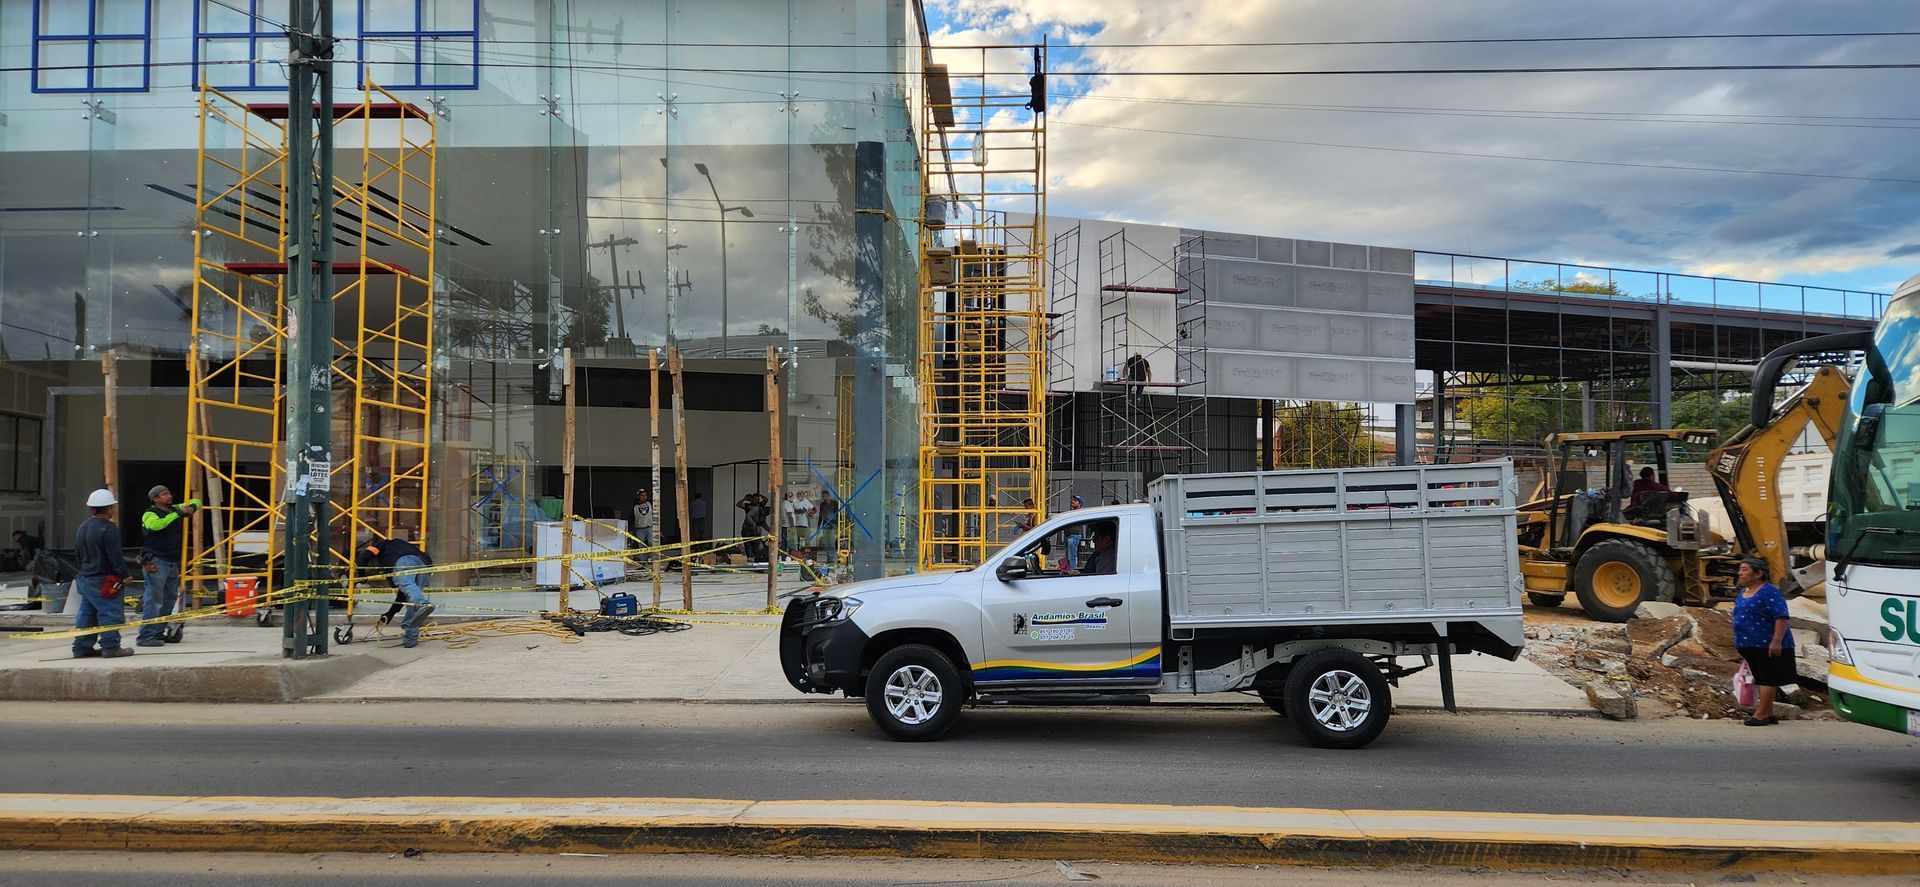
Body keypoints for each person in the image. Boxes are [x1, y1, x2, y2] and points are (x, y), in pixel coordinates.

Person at [1732, 556, 1795, 726]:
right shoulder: (1743, 593)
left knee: (1768, 678)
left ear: (1758, 573)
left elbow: (1781, 616)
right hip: (1749, 643)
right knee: (1761, 678)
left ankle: (1760, 715)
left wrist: (1776, 641)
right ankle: (1769, 712)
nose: (1740, 573)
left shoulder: (1769, 592)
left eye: (1744, 569)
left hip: (1767, 644)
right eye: (1740, 569)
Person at [136, 485, 200, 647]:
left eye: (169, 493)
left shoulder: (174, 509)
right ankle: (146, 635)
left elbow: (197, 501)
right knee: (154, 599)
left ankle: (158, 632)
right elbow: (156, 525)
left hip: (171, 561)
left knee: (169, 598)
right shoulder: (150, 514)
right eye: (164, 494)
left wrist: (191, 508)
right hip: (156, 560)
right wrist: (178, 514)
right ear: (155, 499)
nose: (169, 496)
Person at [72, 488, 132, 659]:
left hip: (85, 577)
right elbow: (115, 556)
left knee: (87, 613)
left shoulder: (82, 527)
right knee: (110, 612)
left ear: (92, 509)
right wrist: (124, 575)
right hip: (103, 580)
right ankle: (111, 647)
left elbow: (77, 554)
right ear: (109, 509)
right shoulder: (109, 528)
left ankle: (81, 648)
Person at [357, 536, 436, 648]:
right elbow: (402, 595)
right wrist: (390, 614)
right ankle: (410, 638)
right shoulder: (403, 545)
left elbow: (364, 556)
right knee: (411, 599)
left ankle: (421, 603)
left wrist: (361, 576)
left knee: (408, 587)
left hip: (405, 561)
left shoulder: (383, 544)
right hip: (424, 564)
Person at [631, 489, 656, 568]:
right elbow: (631, 517)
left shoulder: (649, 504)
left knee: (651, 542)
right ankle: (642, 561)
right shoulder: (635, 506)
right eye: (642, 495)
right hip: (639, 528)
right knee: (641, 545)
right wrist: (631, 529)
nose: (644, 497)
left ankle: (650, 558)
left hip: (649, 526)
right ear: (638, 496)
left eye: (645, 495)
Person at [1063, 495, 1086, 571]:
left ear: (1080, 504)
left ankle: (1072, 572)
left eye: (1075, 501)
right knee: (1068, 557)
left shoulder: (1079, 512)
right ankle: (1069, 571)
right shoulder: (1072, 512)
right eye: (1072, 500)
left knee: (1071, 556)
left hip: (1073, 536)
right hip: (1068, 536)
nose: (1072, 501)